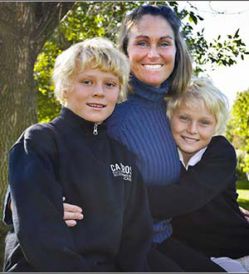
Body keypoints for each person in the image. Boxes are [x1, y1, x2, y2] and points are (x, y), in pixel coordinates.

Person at [61, 4, 225, 272]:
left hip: (163, 238)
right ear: (125, 50)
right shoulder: (107, 104)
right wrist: (25, 202)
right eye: (141, 42)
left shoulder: (175, 108)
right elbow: (54, 144)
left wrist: (226, 209)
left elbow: (192, 168)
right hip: (121, 248)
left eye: (164, 43)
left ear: (176, 50)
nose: (153, 53)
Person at [2, 37, 154, 272]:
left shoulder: (124, 157)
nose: (99, 92)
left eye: (110, 84)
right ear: (65, 87)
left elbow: (136, 238)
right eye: (87, 81)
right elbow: (38, 233)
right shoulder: (39, 141)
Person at [148, 77, 249, 272]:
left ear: (216, 126)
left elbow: (185, 197)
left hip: (240, 251)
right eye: (184, 118)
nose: (192, 130)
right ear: (170, 117)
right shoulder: (162, 156)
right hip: (199, 257)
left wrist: (125, 198)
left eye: (204, 122)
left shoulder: (220, 151)